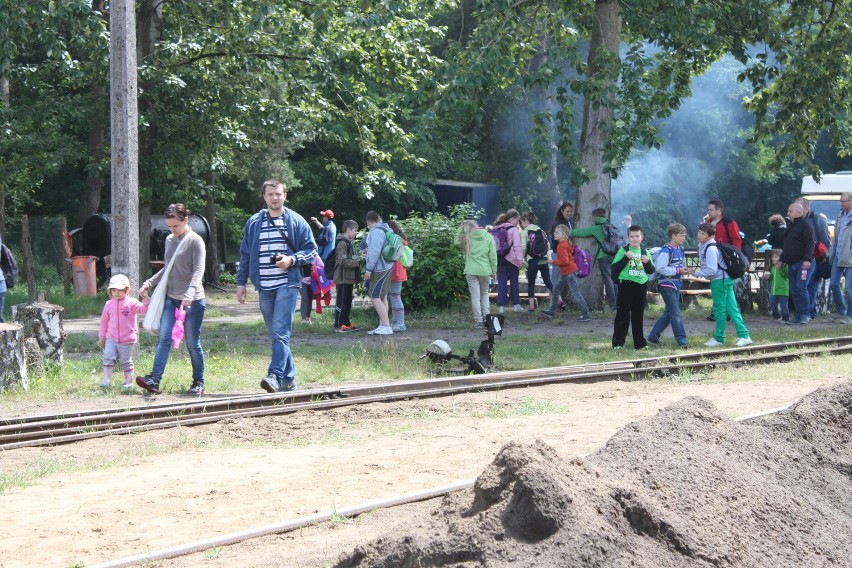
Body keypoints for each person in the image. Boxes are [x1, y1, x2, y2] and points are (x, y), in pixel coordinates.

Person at [236, 179, 317, 393]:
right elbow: (245, 254)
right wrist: (241, 282)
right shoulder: (254, 222)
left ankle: (274, 375)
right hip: (264, 285)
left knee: (280, 332)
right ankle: (289, 380)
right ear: (264, 197)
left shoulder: (296, 221)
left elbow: (311, 250)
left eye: (278, 194)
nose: (274, 197)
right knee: (276, 333)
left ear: (285, 196)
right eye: (270, 194)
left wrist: (291, 260)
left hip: (287, 284)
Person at [137, 203, 208, 395]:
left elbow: (198, 271)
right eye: (169, 226)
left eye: (175, 226)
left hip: (193, 301)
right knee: (164, 338)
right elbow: (167, 268)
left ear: (185, 220)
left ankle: (198, 382)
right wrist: (148, 283)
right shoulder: (169, 240)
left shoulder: (195, 241)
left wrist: (190, 293)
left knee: (192, 343)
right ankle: (154, 380)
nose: (172, 230)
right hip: (171, 298)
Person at [694, 222, 752, 347]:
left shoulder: (710, 249)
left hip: (719, 281)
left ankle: (720, 338)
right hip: (725, 280)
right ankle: (743, 335)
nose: (699, 235)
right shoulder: (704, 246)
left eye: (703, 234)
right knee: (732, 309)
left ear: (710, 236)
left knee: (720, 310)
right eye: (699, 232)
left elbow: (712, 270)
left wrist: (696, 273)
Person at [98, 274, 149, 388]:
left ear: (127, 290)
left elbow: (144, 310)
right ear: (110, 291)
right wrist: (102, 336)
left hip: (127, 339)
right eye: (114, 290)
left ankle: (128, 383)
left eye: (120, 290)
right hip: (111, 338)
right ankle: (106, 380)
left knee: (125, 361)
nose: (117, 292)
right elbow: (104, 321)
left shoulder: (132, 302)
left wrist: (145, 299)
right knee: (107, 356)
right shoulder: (109, 304)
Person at [610, 225, 654, 349]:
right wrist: (625, 258)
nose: (634, 239)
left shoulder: (645, 252)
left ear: (642, 237)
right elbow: (614, 268)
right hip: (626, 285)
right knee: (622, 315)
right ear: (628, 238)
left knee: (638, 316)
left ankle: (640, 344)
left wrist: (648, 263)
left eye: (637, 236)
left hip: (641, 286)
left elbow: (651, 270)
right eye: (632, 236)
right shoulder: (623, 251)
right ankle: (618, 343)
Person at [647, 223, 689, 348]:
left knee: (669, 313)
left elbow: (679, 266)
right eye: (681, 236)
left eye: (684, 236)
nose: (683, 238)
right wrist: (677, 271)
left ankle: (653, 337)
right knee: (675, 313)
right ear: (673, 235)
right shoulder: (666, 251)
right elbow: (660, 268)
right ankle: (682, 341)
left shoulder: (680, 249)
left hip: (676, 284)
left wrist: (685, 270)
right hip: (666, 285)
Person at [703, 199, 744, 320]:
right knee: (716, 284)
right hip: (713, 257)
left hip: (726, 258)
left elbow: (736, 240)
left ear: (719, 211)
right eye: (708, 210)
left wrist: (734, 257)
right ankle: (718, 311)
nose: (708, 212)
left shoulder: (729, 223)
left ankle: (724, 312)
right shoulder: (708, 223)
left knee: (723, 284)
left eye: (711, 210)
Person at [571, 207, 618, 311]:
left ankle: (613, 306)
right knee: (614, 279)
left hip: (603, 255)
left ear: (594, 217)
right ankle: (617, 304)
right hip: (615, 255)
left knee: (608, 280)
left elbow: (581, 232)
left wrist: (567, 232)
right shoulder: (612, 226)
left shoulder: (596, 228)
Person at [541, 224, 591, 321]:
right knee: (555, 289)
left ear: (564, 235)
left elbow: (565, 261)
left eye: (558, 232)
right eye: (555, 232)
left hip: (569, 273)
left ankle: (586, 314)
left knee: (576, 293)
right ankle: (552, 311)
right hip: (567, 273)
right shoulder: (566, 243)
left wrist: (552, 262)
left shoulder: (561, 245)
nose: (555, 234)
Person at [779, 202, 815, 325]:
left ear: (799, 213)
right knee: (794, 290)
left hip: (802, 263)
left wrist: (807, 259)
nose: (787, 213)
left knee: (801, 287)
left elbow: (810, 243)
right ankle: (798, 315)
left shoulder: (806, 225)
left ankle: (806, 314)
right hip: (791, 263)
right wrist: (781, 260)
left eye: (790, 211)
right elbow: (787, 245)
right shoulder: (790, 225)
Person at [458, 219, 497, 329]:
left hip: (470, 270)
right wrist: (494, 270)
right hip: (485, 270)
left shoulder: (467, 238)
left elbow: (456, 241)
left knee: (475, 296)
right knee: (484, 293)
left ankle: (478, 321)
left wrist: (461, 228)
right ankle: (486, 317)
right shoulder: (489, 237)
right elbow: (493, 256)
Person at [796, 197, 830, 320]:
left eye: (798, 207)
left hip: (814, 258)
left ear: (805, 207)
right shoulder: (796, 221)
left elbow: (826, 241)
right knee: (803, 286)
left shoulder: (817, 220)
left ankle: (809, 313)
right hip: (800, 259)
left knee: (810, 285)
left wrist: (821, 256)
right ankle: (806, 311)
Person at [363, 211, 394, 335]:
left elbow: (375, 252)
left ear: (369, 221)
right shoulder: (386, 229)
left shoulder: (376, 231)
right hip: (388, 266)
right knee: (383, 296)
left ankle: (386, 326)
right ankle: (383, 324)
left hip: (379, 268)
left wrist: (368, 269)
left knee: (374, 296)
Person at [492, 209, 524, 314]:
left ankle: (501, 307)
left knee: (502, 282)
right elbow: (517, 246)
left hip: (499, 258)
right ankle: (516, 305)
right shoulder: (513, 229)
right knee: (514, 281)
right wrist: (520, 260)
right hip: (512, 260)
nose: (517, 223)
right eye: (517, 220)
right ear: (513, 218)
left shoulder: (496, 228)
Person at [333, 220, 361, 332]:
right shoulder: (342, 243)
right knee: (342, 301)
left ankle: (346, 323)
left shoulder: (348, 242)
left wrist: (360, 255)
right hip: (342, 278)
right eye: (355, 230)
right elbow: (342, 261)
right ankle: (339, 325)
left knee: (348, 301)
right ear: (348, 230)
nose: (356, 233)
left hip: (348, 278)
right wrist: (358, 262)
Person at [520, 211, 552, 311]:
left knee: (531, 283)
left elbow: (523, 247)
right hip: (543, 259)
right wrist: (547, 257)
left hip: (532, 260)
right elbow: (548, 246)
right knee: (548, 281)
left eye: (522, 222)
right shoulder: (541, 231)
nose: (521, 224)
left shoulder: (525, 232)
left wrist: (521, 258)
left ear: (526, 220)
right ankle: (559, 300)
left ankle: (531, 306)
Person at [828, 192, 852, 324]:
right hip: (838, 254)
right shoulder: (840, 215)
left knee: (849, 288)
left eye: (843, 201)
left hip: (850, 257)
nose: (841, 204)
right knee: (833, 284)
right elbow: (836, 236)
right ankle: (842, 312)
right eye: (840, 201)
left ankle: (850, 315)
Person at [547, 202, 575, 310]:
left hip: (567, 254)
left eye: (571, 211)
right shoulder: (558, 223)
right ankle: (552, 304)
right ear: (562, 210)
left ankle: (558, 301)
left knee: (563, 278)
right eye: (567, 211)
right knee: (555, 278)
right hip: (558, 254)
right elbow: (554, 238)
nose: (569, 213)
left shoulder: (569, 222)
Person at [386, 220, 408, 332]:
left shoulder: (394, 240)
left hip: (395, 271)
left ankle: (399, 323)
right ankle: (397, 322)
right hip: (400, 271)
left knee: (394, 297)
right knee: (394, 296)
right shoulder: (401, 240)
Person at [768, 249, 790, 323]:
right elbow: (772, 278)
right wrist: (768, 277)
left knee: (783, 305)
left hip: (783, 290)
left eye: (776, 257)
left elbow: (786, 275)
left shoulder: (785, 266)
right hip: (774, 290)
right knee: (772, 302)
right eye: (773, 257)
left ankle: (786, 318)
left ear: (781, 258)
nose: (773, 258)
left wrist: (781, 269)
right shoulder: (772, 268)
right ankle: (776, 316)